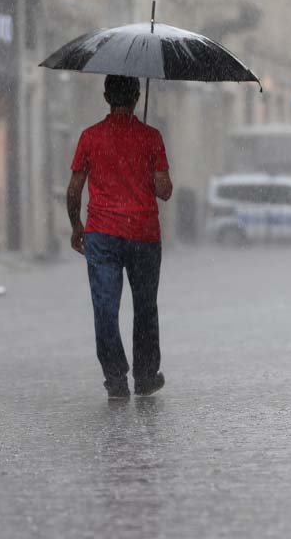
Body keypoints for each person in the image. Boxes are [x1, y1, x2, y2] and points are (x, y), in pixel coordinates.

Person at [67, 75, 173, 399]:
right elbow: (164, 190)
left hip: (102, 234)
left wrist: (76, 226)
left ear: (105, 96)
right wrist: (147, 169)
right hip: (143, 234)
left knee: (105, 308)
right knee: (144, 307)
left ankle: (115, 378)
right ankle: (144, 376)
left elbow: (73, 190)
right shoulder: (151, 137)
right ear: (138, 97)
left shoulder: (90, 137)